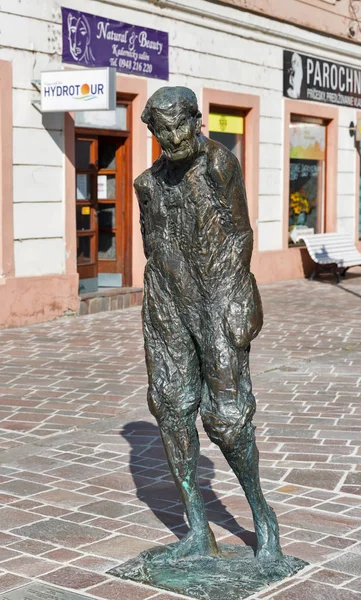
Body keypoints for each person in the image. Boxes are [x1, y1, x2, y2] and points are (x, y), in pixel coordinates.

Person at [134, 86, 282, 565]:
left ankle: (263, 518)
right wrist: (160, 309)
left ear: (198, 120)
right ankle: (200, 531)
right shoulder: (147, 184)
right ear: (152, 130)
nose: (175, 136)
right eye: (164, 128)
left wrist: (236, 299)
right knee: (170, 407)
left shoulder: (219, 164)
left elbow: (241, 232)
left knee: (227, 417)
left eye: (182, 124)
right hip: (167, 301)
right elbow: (153, 249)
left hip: (216, 295)